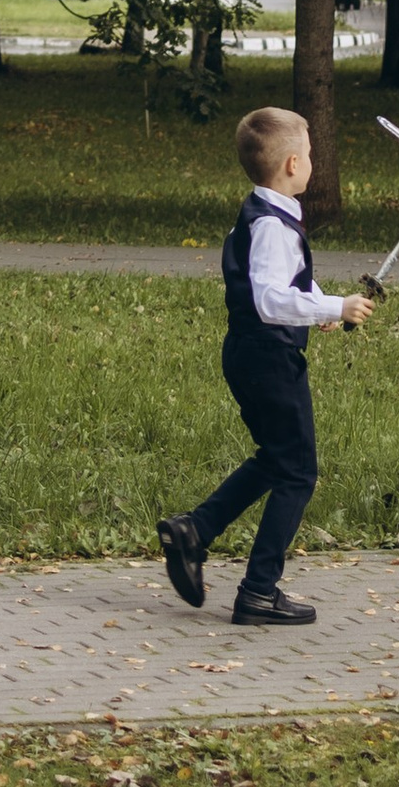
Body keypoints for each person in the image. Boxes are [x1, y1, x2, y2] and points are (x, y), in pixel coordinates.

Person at [159, 105, 373, 626]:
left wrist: (320, 304)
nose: (313, 163)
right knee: (298, 472)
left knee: (277, 460)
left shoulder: (262, 211)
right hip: (269, 358)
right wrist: (335, 306)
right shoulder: (274, 226)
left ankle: (195, 530)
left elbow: (283, 279)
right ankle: (257, 591)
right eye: (311, 155)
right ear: (293, 164)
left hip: (251, 354)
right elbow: (270, 299)